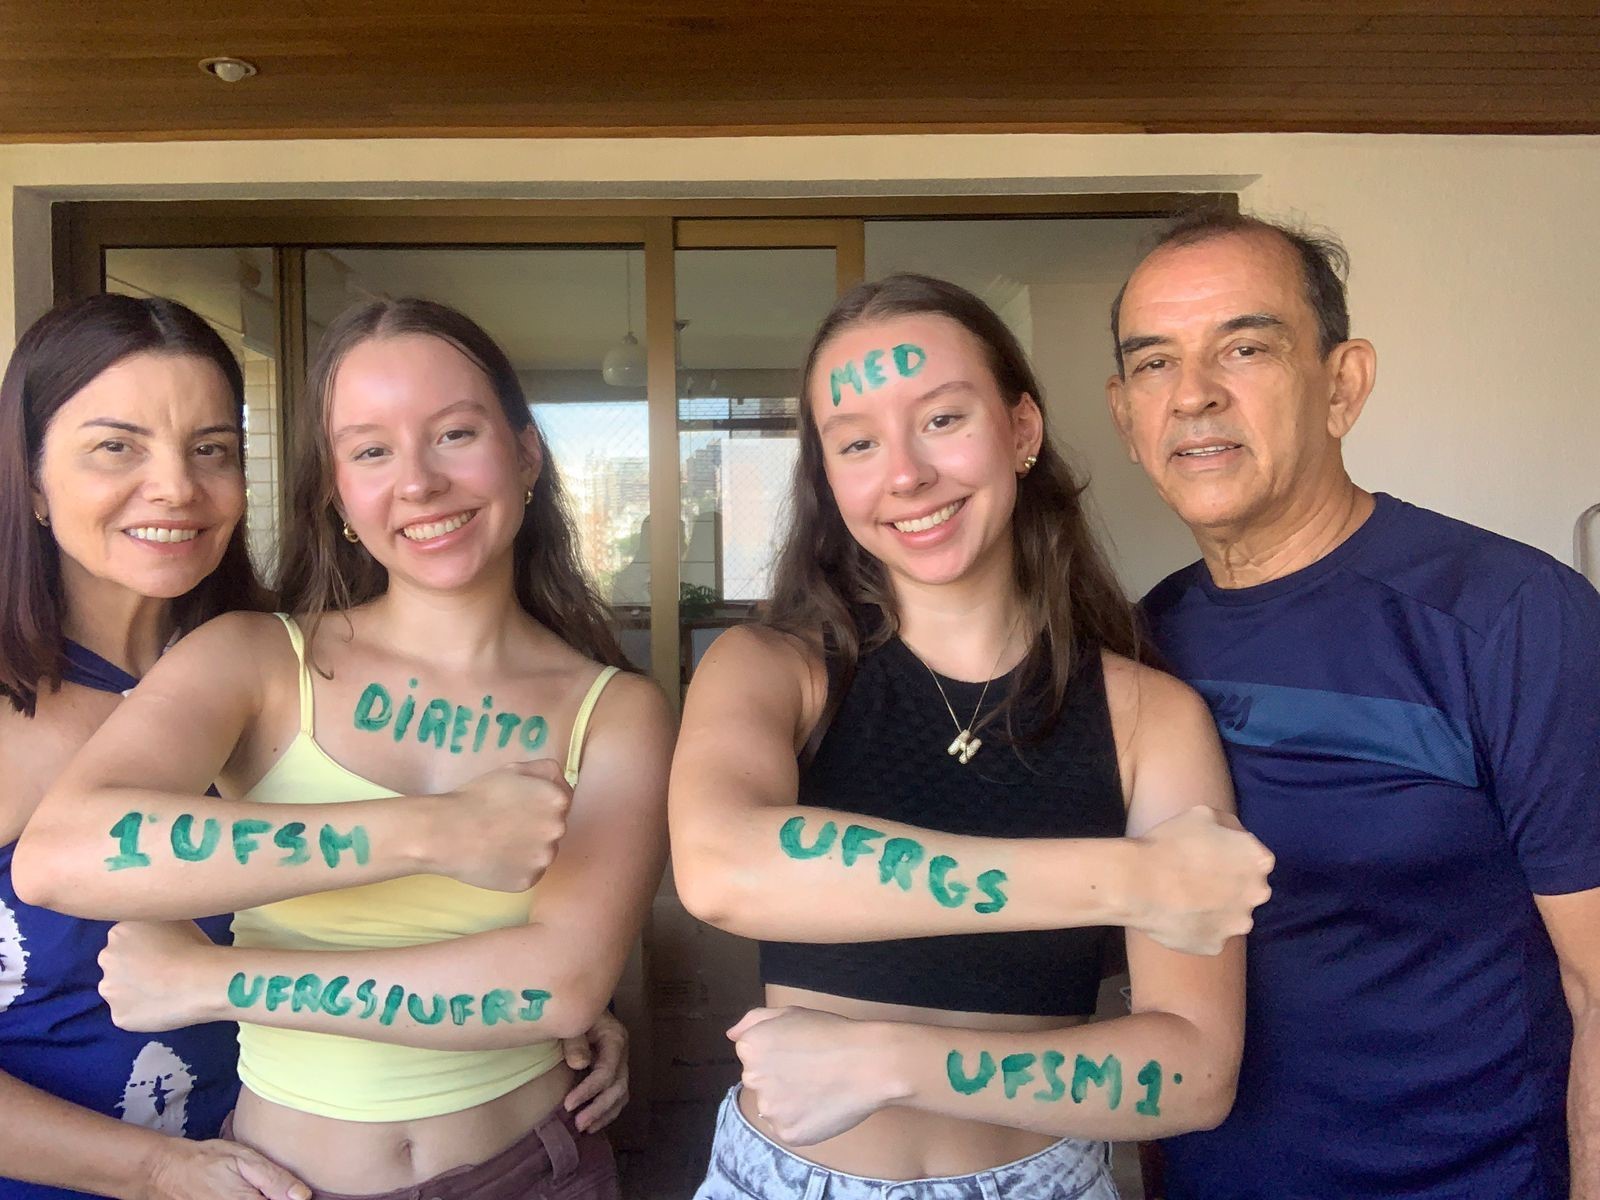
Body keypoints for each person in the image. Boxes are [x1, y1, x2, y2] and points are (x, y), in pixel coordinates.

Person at [17, 298, 671, 1199]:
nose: (419, 483)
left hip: (530, 1172)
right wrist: (435, 831)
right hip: (280, 1179)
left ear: (526, 455)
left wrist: (217, 981)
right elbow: (63, 856)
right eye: (370, 451)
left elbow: (556, 989)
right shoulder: (252, 656)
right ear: (335, 491)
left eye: (455, 434)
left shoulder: (619, 710)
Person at [670, 274, 1274, 1200]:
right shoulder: (768, 669)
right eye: (858, 442)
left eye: (943, 419)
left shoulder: (1149, 717)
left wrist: (891, 1063)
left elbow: (1193, 1073)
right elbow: (724, 869)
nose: (905, 473)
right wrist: (1131, 878)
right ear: (828, 478)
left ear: (1021, 429)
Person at [1104, 208, 1600, 1199]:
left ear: (1343, 385)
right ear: (1124, 415)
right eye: (1155, 363)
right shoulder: (1138, 647)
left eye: (1244, 348)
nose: (1193, 394)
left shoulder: (1508, 617)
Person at [0, 293, 305, 1200]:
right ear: (31, 480)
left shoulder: (289, 675)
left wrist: (511, 1015)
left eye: (211, 449)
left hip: (296, 1166)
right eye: (116, 446)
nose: (176, 486)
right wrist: (160, 1171)